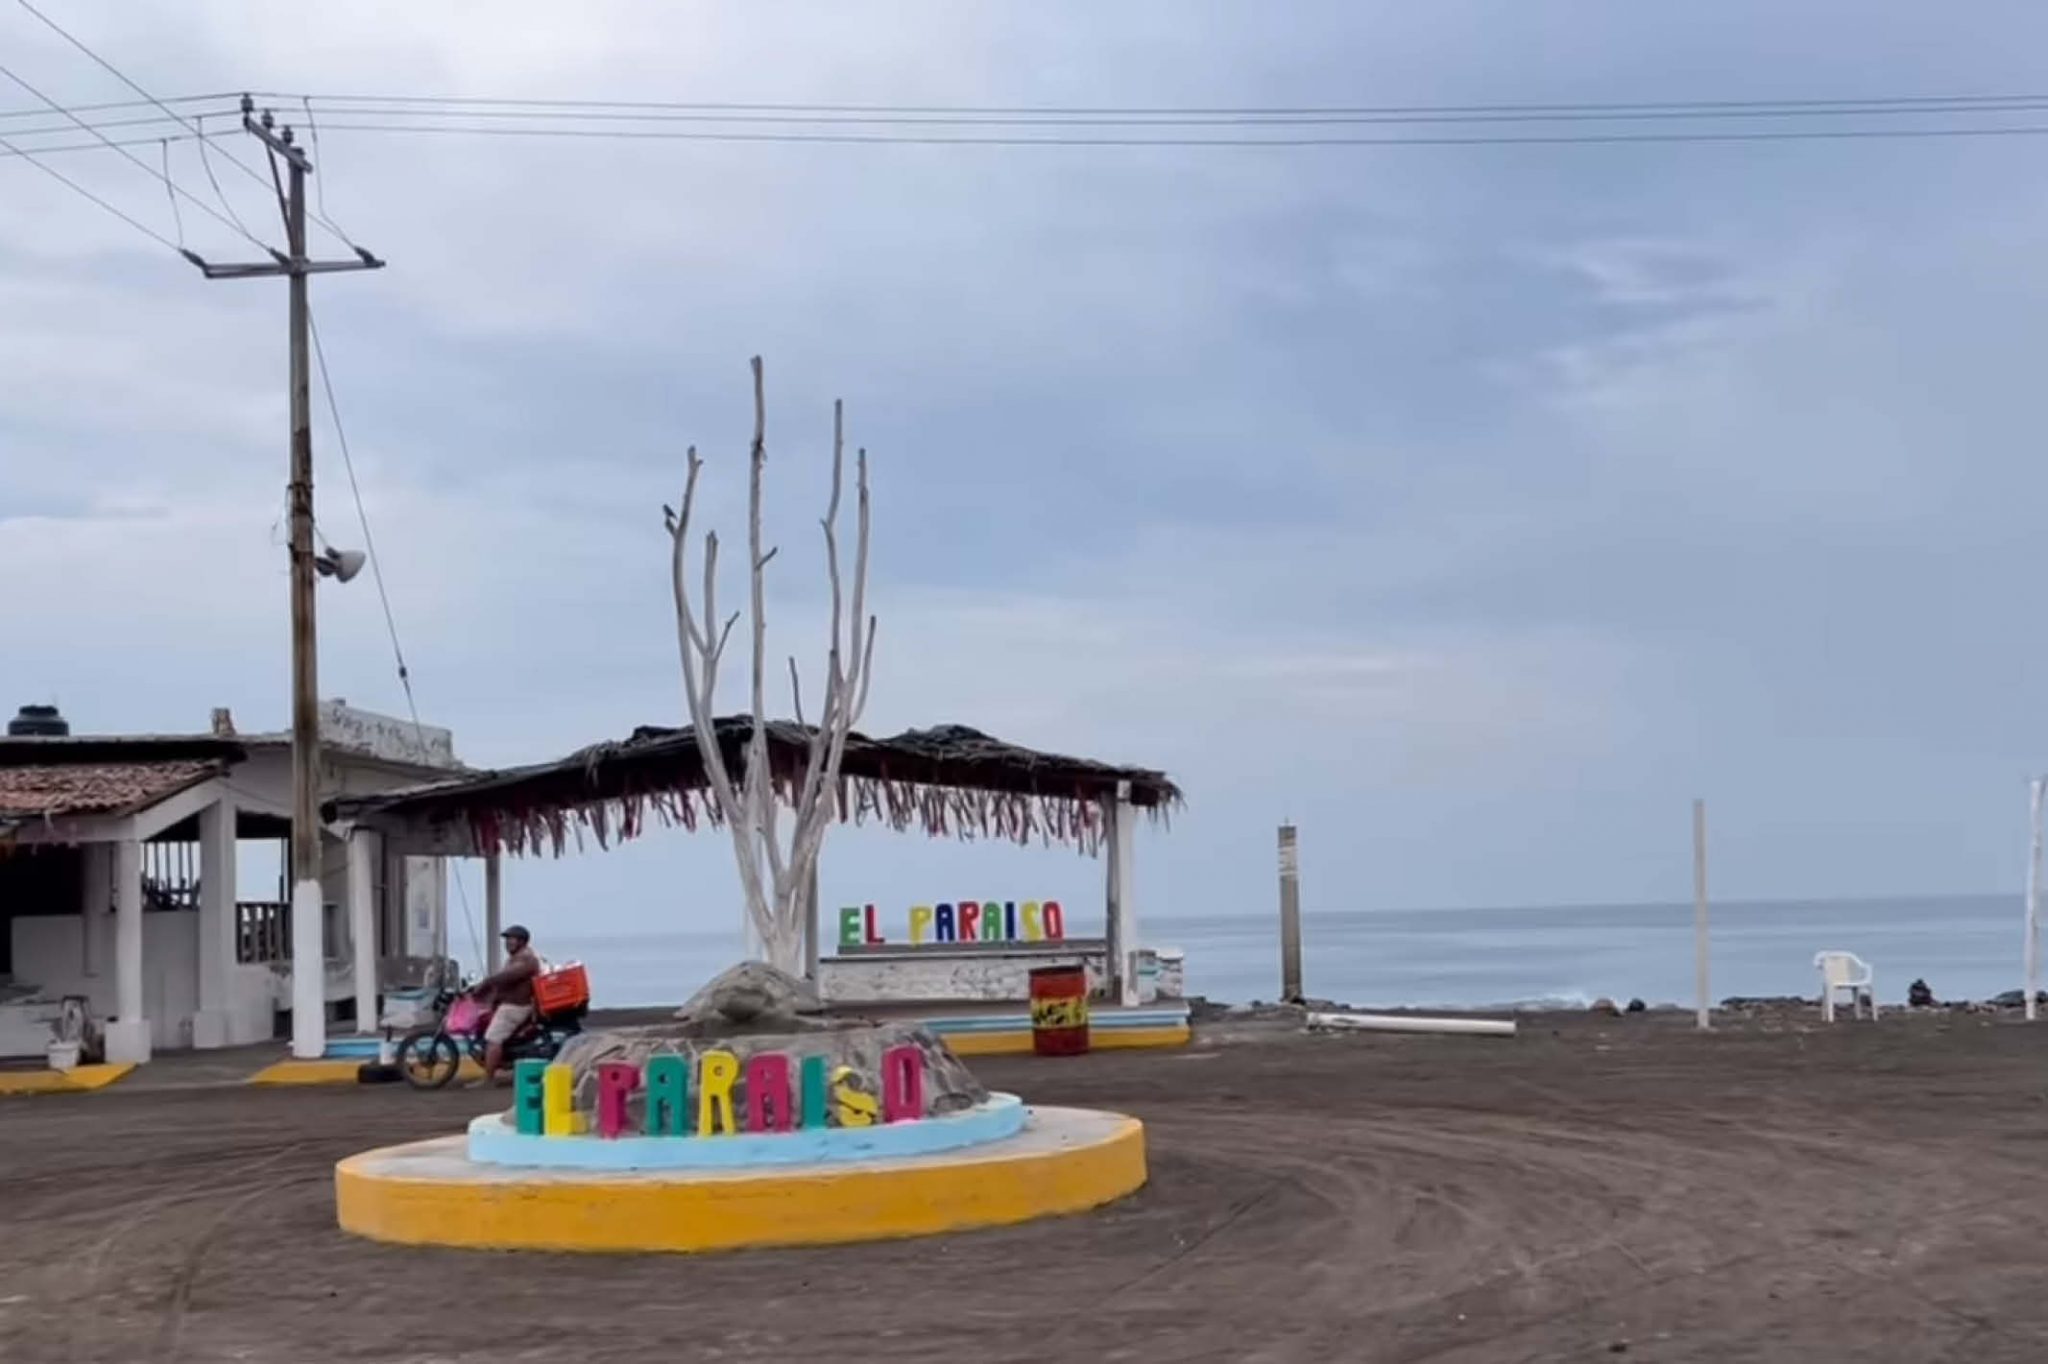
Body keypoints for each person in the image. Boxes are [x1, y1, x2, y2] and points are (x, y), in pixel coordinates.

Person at [468, 925, 541, 1086]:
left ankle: (488, 1079)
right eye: (507, 939)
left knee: (493, 1039)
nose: (508, 942)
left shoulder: (526, 959)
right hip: (510, 1003)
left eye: (511, 939)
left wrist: (486, 983)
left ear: (522, 941)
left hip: (516, 1006)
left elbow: (507, 976)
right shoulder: (517, 957)